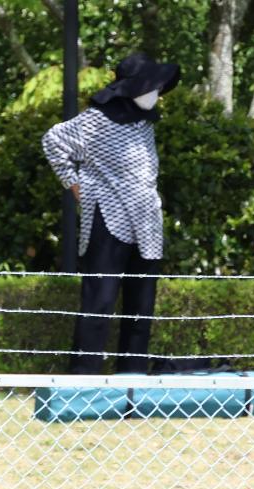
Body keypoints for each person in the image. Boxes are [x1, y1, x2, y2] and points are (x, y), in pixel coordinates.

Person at [41, 53, 181, 374]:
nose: (156, 94)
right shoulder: (95, 120)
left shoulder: (145, 123)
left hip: (147, 222)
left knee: (141, 306)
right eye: (150, 87)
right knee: (99, 302)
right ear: (131, 88)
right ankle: (84, 381)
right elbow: (53, 140)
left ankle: (132, 380)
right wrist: (76, 186)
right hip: (108, 216)